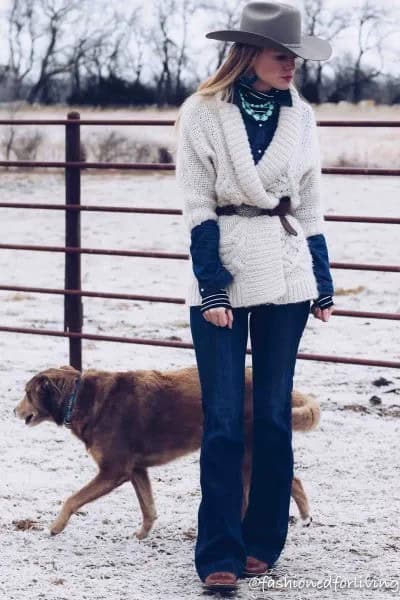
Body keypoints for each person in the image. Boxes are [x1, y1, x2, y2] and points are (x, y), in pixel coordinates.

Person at [175, 1, 335, 592]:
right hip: (224, 268)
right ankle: (218, 547)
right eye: (279, 55)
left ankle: (263, 538)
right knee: (221, 420)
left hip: (288, 271)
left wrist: (321, 279)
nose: (290, 65)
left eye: (294, 56)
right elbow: (196, 205)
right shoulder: (202, 113)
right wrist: (212, 286)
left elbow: (312, 204)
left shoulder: (302, 115)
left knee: (271, 415)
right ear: (247, 54)